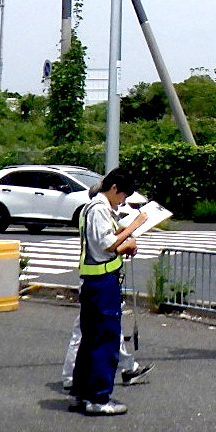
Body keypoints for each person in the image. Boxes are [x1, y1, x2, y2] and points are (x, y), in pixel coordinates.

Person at [68, 168, 150, 416]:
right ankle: (99, 398)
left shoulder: (92, 208)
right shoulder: (100, 209)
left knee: (90, 340)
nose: (123, 202)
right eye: (123, 196)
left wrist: (124, 243)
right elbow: (106, 244)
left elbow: (103, 244)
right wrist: (134, 226)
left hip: (93, 280)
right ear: (114, 188)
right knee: (106, 339)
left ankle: (82, 393)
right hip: (102, 282)